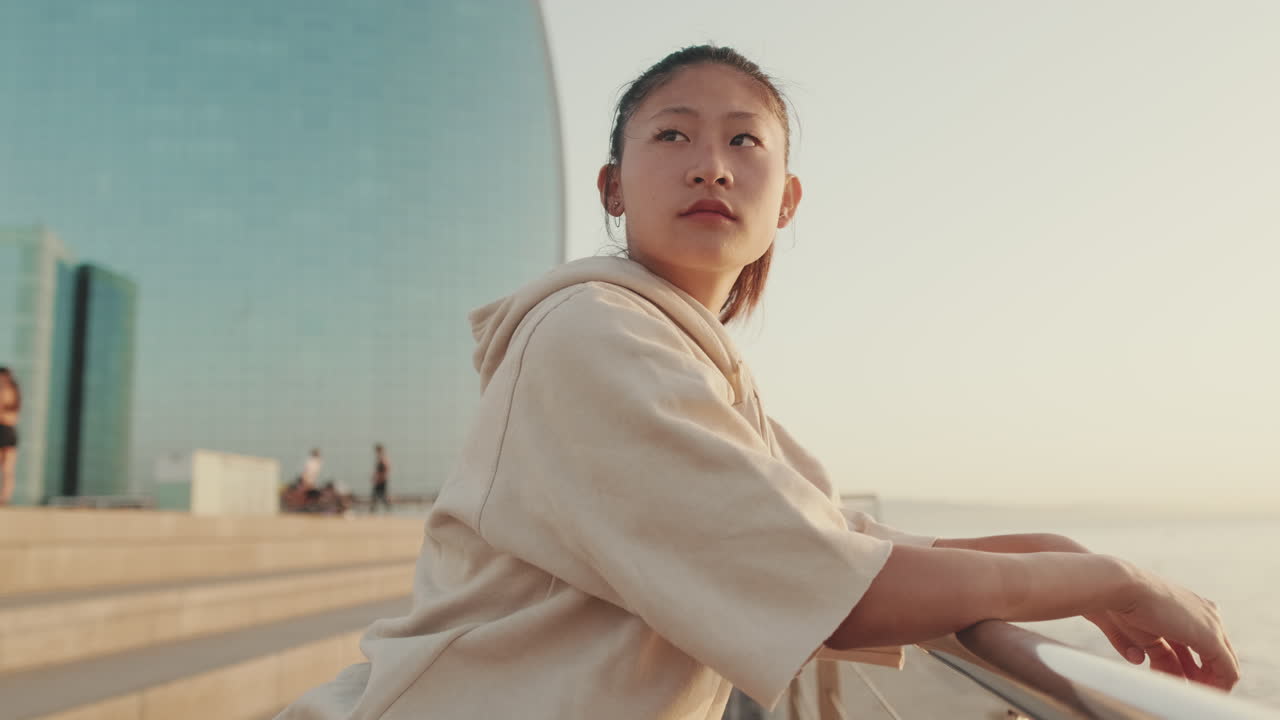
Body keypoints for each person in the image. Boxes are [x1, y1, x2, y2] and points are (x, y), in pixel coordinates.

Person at [277, 46, 1238, 719]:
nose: (712, 166)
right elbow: (842, 588)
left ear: (788, 199)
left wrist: (1060, 554)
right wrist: (1114, 576)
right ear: (612, 187)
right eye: (672, 138)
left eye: (746, 143)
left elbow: (845, 544)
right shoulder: (590, 336)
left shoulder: (685, 355)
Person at [0, 367, 20, 506]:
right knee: (7, 469)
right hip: (7, 431)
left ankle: (5, 498)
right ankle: (5, 497)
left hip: (6, 432)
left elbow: (10, 416)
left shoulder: (10, 392)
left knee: (8, 469)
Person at [370, 443, 391, 513]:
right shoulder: (380, 459)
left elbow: (386, 469)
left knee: (381, 496)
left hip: (381, 481)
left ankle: (388, 510)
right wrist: (374, 478)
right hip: (379, 480)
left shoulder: (383, 459)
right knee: (377, 496)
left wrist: (381, 478)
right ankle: (373, 510)